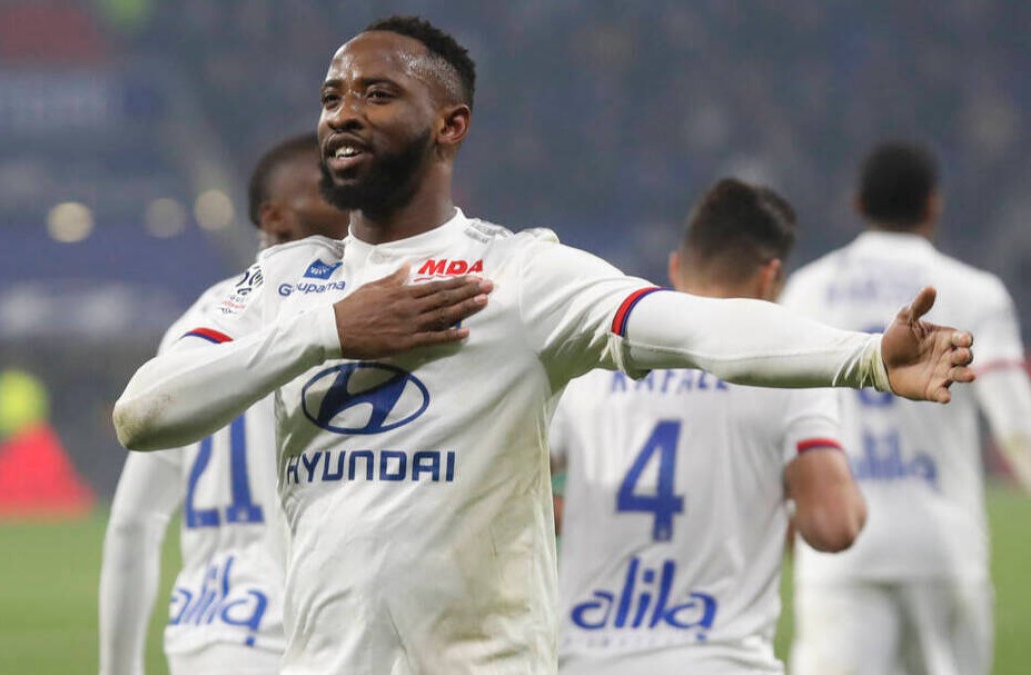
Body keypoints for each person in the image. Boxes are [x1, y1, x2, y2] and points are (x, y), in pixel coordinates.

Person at [112, 17, 975, 673]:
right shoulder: (280, 285)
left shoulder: (518, 274)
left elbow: (692, 324)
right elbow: (143, 412)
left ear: (451, 126)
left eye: (378, 94)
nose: (344, 113)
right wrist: (331, 330)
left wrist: (864, 356)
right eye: (334, 95)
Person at [550, 179, 866, 674]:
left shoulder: (594, 367)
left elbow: (506, 487)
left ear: (676, 267)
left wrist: (584, 512)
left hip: (589, 659)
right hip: (720, 659)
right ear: (771, 278)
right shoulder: (789, 373)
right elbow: (833, 525)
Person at [98, 133, 348, 675]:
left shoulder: (195, 325)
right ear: (275, 215)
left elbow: (133, 523)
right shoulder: (345, 314)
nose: (352, 202)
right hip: (295, 633)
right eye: (330, 190)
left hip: (204, 635)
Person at [786, 142, 1031, 675]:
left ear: (856, 205)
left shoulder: (805, 292)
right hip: (943, 547)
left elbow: (773, 418)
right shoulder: (975, 293)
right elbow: (1019, 429)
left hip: (841, 547)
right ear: (933, 206)